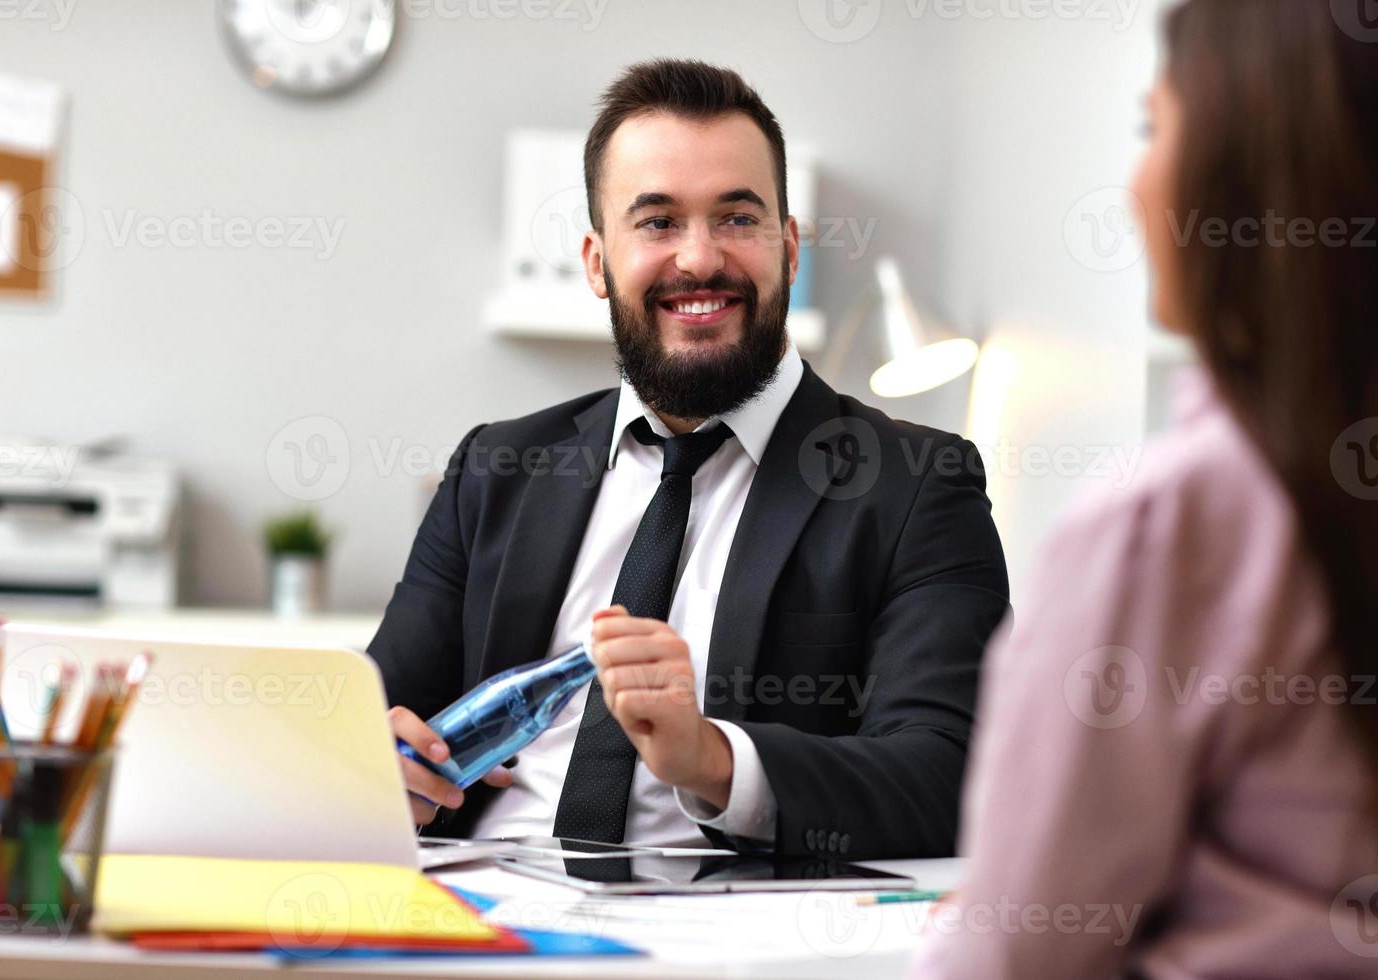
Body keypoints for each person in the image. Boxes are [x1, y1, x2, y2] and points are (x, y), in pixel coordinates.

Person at [368, 59, 1009, 858]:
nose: (700, 259)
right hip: (476, 913)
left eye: (737, 219)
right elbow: (381, 718)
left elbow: (951, 780)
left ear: (789, 249)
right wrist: (376, 770)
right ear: (598, 263)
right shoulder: (495, 467)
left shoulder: (919, 486)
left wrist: (711, 760)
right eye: (658, 221)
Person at [914, 1, 1378, 974]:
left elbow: (1011, 958)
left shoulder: (1166, 524)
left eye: (1152, 126)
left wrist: (993, 907)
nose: (1135, 180)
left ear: (1238, 174)